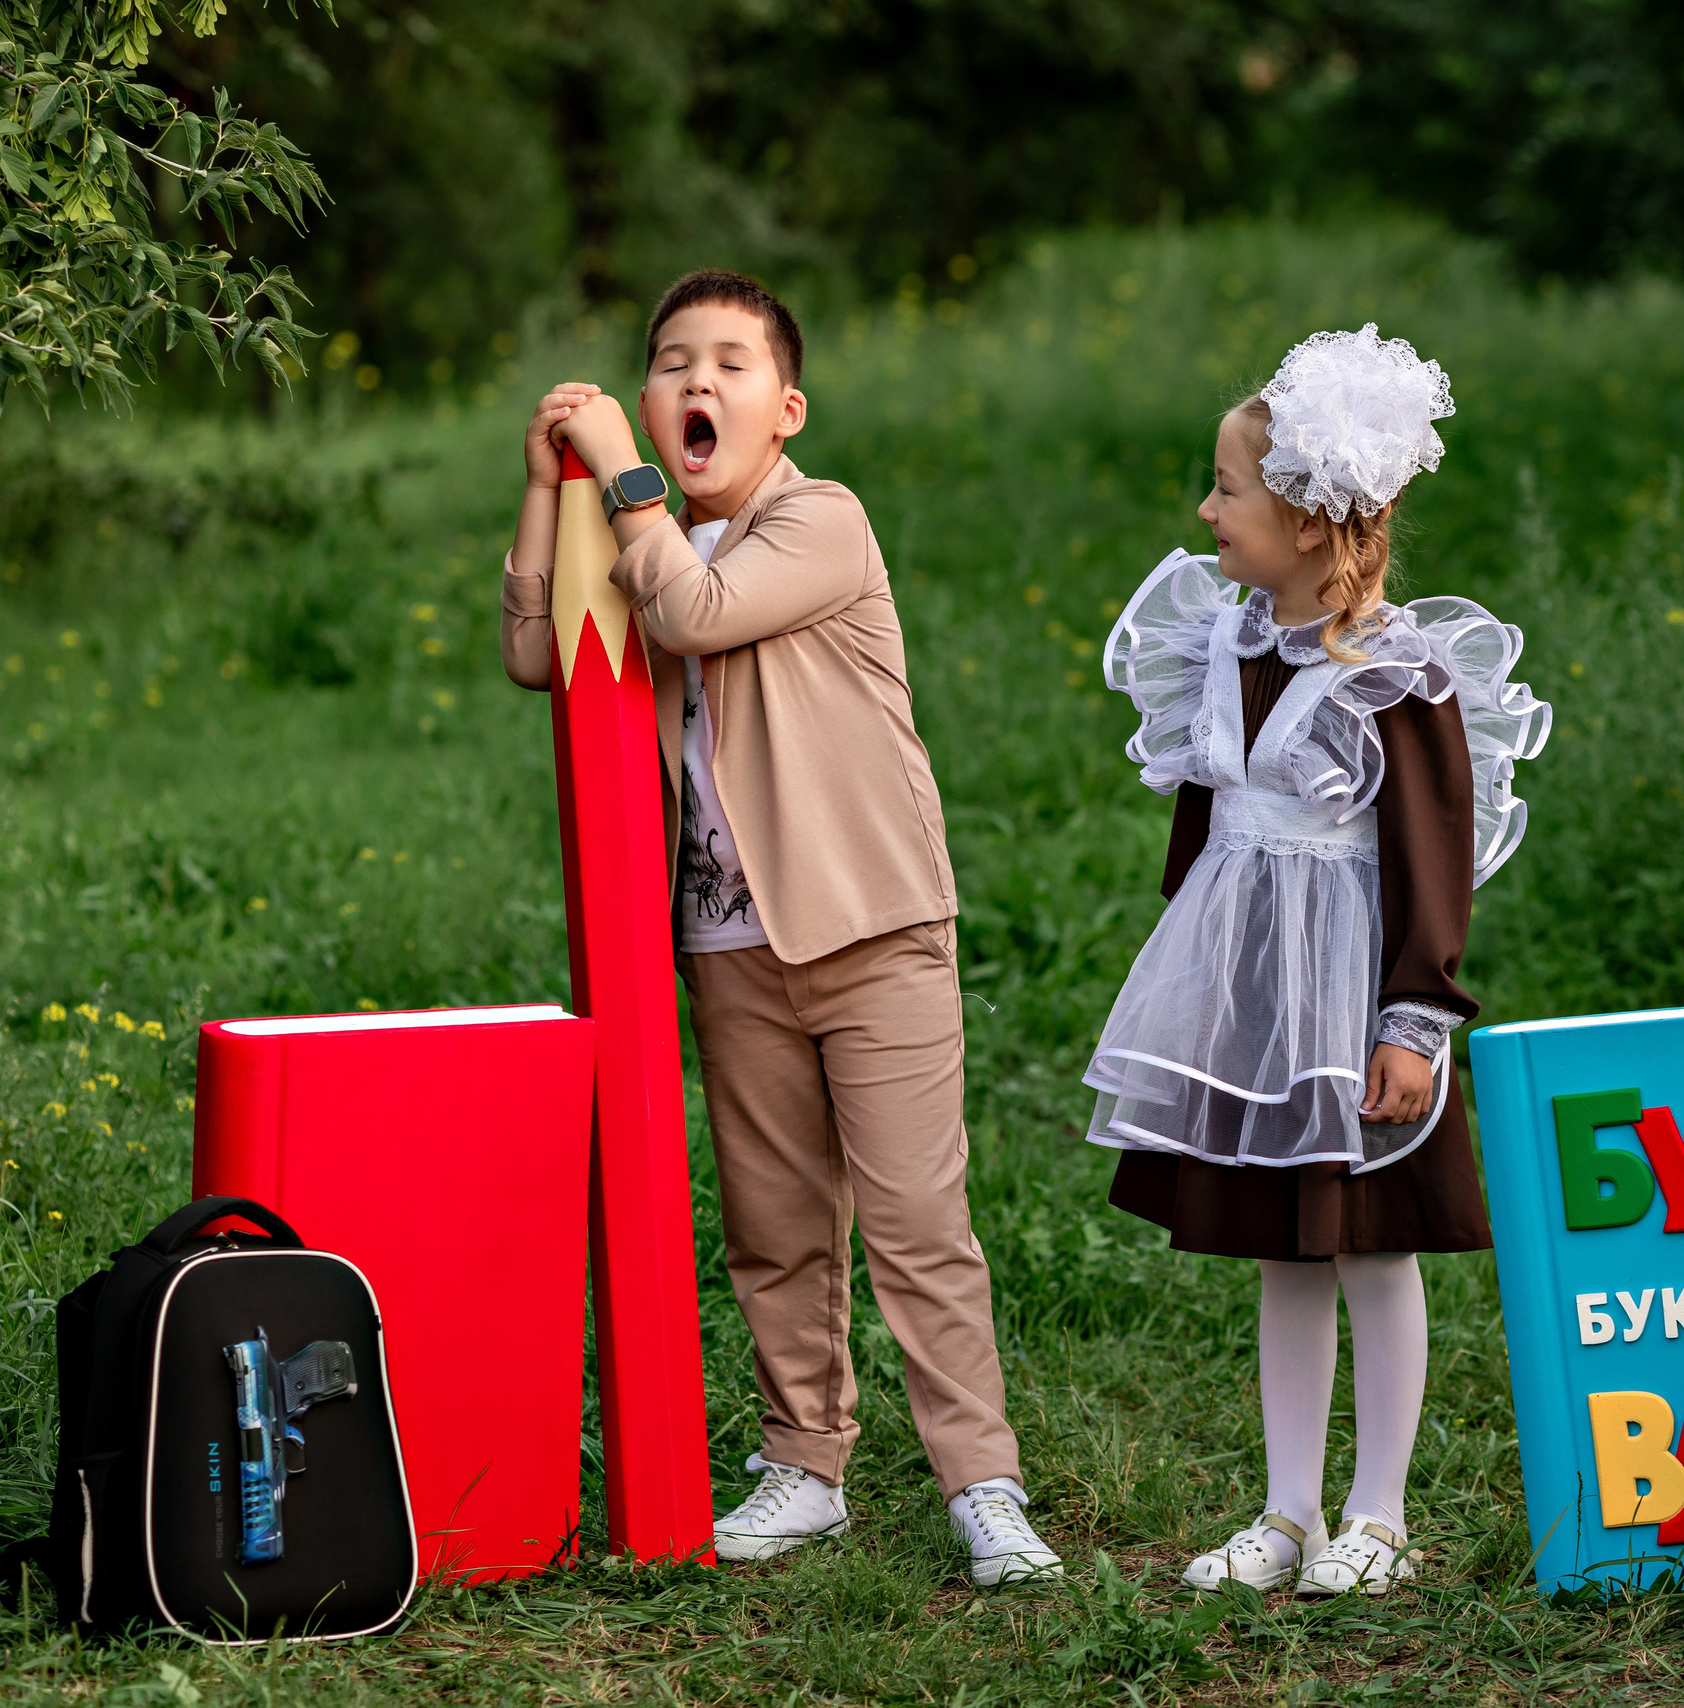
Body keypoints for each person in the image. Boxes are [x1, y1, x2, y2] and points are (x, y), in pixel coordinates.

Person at [499, 269, 1058, 1587]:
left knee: (916, 1221)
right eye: (670, 362)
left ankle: (983, 1485)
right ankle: (805, 1466)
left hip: (869, 924)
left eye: (730, 363)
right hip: (728, 941)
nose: (697, 379)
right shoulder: (638, 537)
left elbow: (697, 614)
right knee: (775, 1223)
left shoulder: (820, 520)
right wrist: (544, 489)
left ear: (786, 409)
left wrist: (623, 474)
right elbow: (536, 655)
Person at [1086, 325, 1549, 1595]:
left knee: (1368, 1246)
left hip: (1354, 994)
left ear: (1301, 521)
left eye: (1225, 488)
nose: (1205, 510)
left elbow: (1432, 854)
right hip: (1255, 994)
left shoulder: (1398, 675)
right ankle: (1286, 1511)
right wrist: (1204, 988)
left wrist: (1414, 1018)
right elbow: (1204, 825)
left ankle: (1378, 1515)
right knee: (1282, 1245)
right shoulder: (1225, 641)